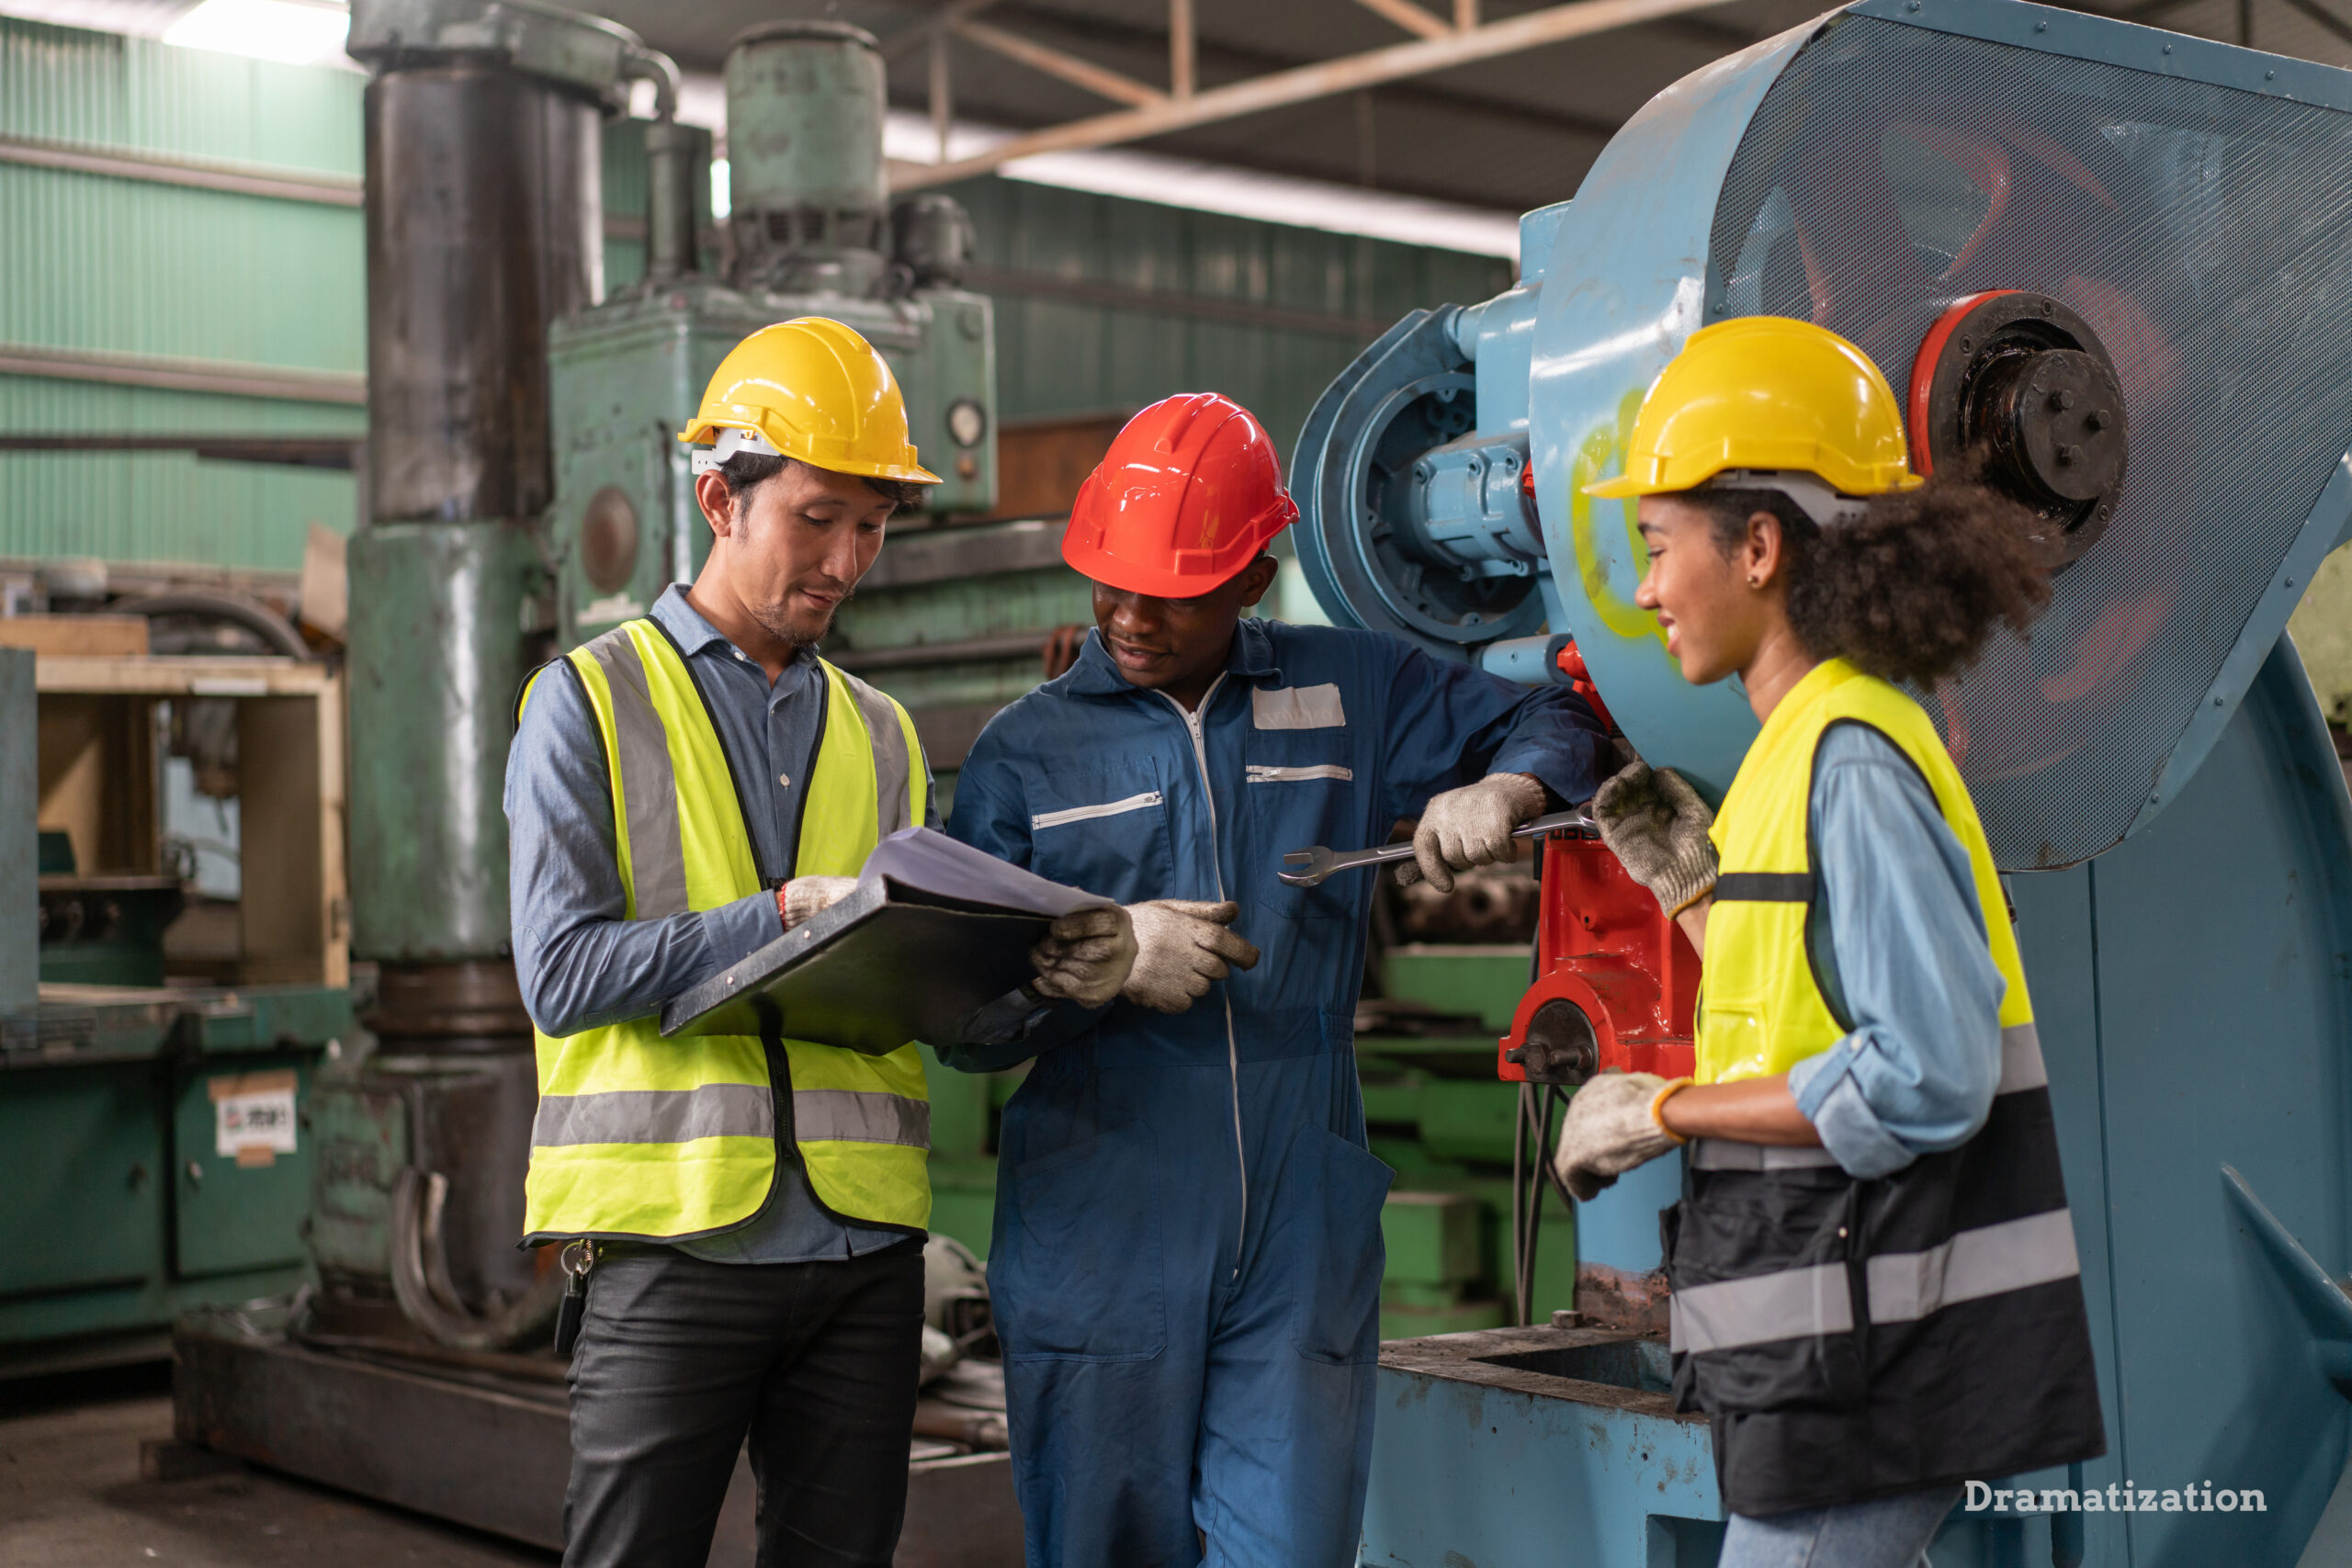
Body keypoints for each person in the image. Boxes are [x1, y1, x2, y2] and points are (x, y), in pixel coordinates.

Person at [941, 392, 1612, 1567]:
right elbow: (966, 1023)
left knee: (1291, 1549)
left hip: (1300, 1214)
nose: (1129, 617)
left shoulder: (1349, 688)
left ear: (1253, 579)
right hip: (1104, 1222)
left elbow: (1562, 717)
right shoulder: (1024, 755)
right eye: (1109, 583)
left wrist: (1506, 787)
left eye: (1172, 592)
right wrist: (1097, 963)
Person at [503, 317, 1134, 1568]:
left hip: (862, 1256)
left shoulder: (883, 732)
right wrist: (782, 913)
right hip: (672, 1246)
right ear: (718, 499)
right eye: (817, 518)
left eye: (873, 526)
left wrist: (1042, 973)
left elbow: (922, 992)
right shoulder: (589, 701)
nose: (847, 560)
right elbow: (562, 974)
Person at [1557, 317, 2107, 1566]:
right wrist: (1694, 894)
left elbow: (1926, 1072)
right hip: (1828, 1336)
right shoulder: (1796, 749)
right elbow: (1809, 997)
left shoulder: (1847, 757)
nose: (1644, 590)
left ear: (1757, 546)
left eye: (1658, 547)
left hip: (1870, 1358)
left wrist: (1666, 1110)